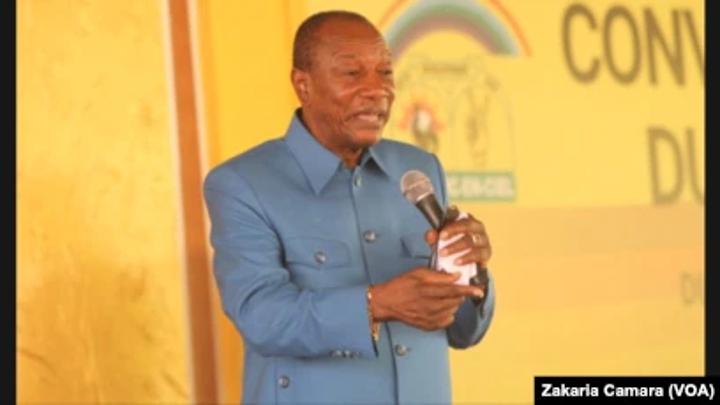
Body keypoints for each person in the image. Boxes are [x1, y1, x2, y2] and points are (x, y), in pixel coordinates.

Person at [203, 10, 495, 404]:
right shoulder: (243, 183)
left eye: (385, 72)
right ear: (303, 85)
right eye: (352, 73)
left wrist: (472, 273)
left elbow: (463, 331)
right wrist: (377, 304)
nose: (378, 90)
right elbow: (262, 318)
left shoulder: (420, 169)